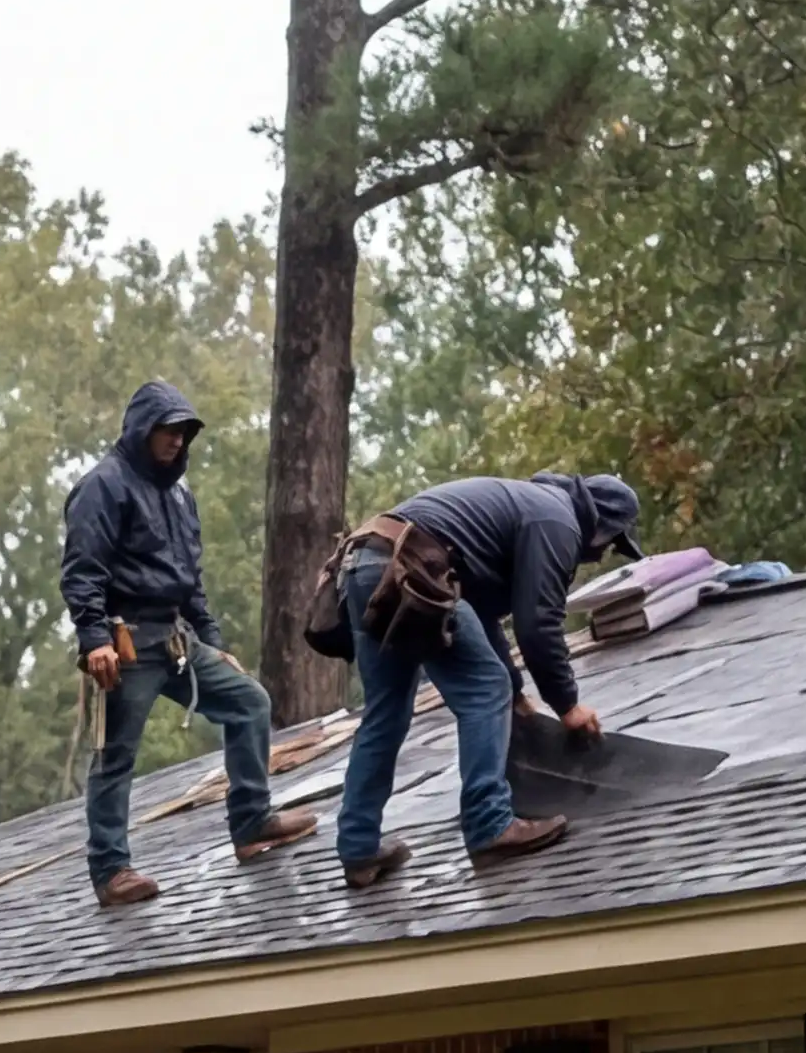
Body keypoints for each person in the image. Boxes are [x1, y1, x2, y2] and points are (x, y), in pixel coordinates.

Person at [66, 380, 314, 907]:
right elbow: (82, 571)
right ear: (141, 430)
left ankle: (251, 824)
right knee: (114, 756)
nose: (178, 441)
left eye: (184, 433)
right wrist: (94, 639)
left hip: (178, 640)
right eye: (168, 431)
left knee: (250, 702)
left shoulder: (180, 495)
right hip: (125, 642)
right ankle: (111, 871)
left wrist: (213, 640)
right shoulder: (103, 486)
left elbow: (190, 579)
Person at [333, 471, 625, 886]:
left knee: (387, 712)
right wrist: (568, 706)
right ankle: (490, 824)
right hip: (410, 565)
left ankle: (359, 848)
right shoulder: (557, 521)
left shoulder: (530, 505)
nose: (600, 555)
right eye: (610, 545)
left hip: (365, 563)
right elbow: (537, 624)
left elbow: (480, 614)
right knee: (486, 690)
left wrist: (518, 694)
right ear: (602, 528)